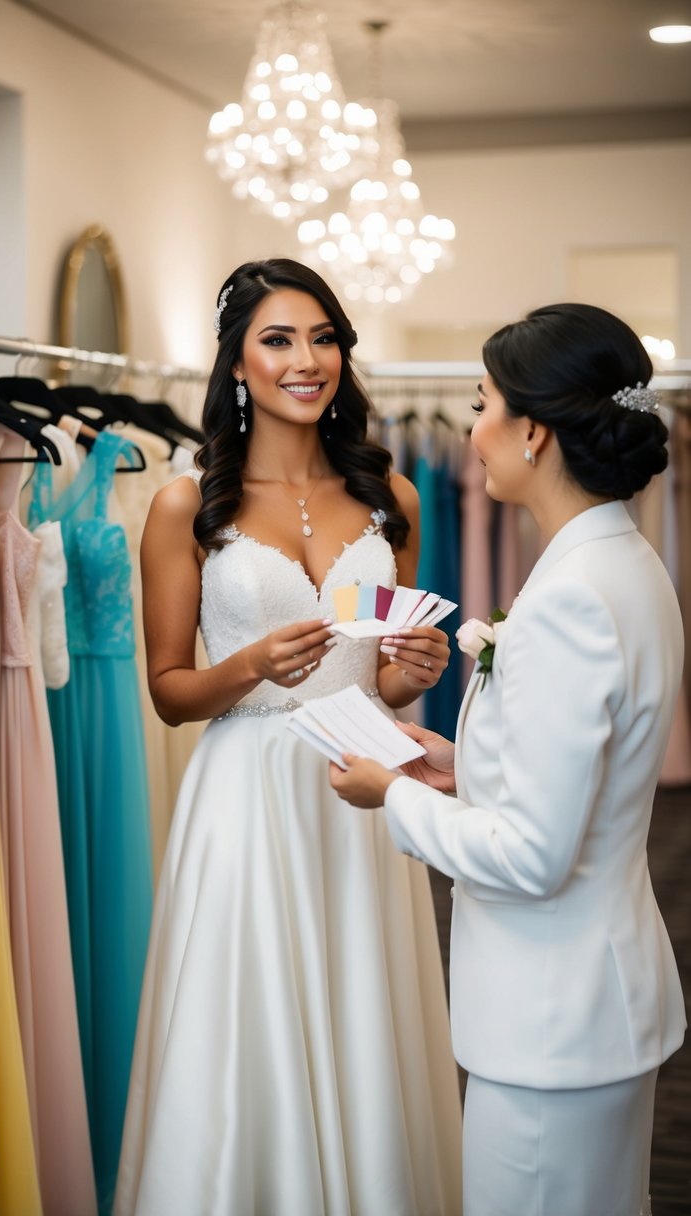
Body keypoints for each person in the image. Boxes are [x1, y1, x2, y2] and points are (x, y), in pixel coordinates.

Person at [113, 258, 463, 1215]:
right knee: (245, 1025)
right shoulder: (187, 504)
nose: (305, 360)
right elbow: (171, 693)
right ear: (236, 363)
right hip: (245, 793)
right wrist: (252, 666)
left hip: (360, 784)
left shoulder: (392, 493)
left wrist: (410, 674)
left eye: (322, 338)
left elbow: (381, 673)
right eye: (278, 340)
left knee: (364, 1016)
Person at [329, 303, 686, 1216]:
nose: (472, 431)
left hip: (548, 1025)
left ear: (532, 431)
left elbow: (533, 854)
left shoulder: (569, 598)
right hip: (590, 1004)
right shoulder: (625, 564)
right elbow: (579, 778)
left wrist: (392, 798)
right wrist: (458, 766)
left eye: (482, 404)